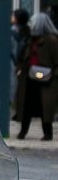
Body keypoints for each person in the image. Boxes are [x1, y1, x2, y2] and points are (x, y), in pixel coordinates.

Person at [17, 10, 58, 141]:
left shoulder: (52, 41)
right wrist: (19, 69)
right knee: (27, 106)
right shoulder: (30, 39)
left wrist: (53, 75)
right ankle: (23, 131)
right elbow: (23, 57)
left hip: (47, 80)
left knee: (45, 108)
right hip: (29, 77)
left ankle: (48, 133)